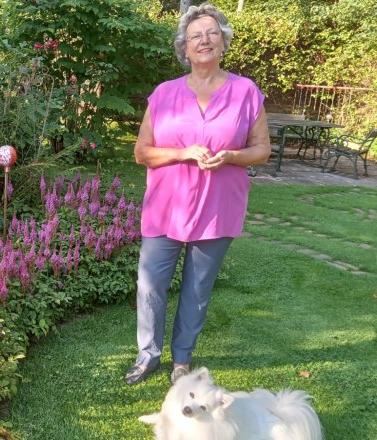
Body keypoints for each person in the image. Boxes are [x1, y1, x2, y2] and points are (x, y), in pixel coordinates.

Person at [124, 2, 271, 386]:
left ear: (223, 41)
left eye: (211, 33)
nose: (204, 40)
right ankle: (147, 356)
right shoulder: (164, 93)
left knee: (197, 288)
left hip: (218, 208)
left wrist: (231, 156)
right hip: (166, 207)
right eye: (195, 36)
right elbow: (142, 152)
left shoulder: (246, 92)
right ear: (184, 48)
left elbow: (262, 149)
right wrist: (183, 153)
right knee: (150, 284)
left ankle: (182, 360)